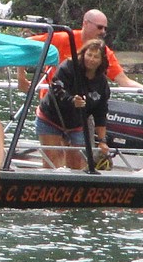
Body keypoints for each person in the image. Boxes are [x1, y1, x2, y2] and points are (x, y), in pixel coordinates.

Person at [18, 8, 143, 96]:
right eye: (100, 27)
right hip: (53, 102)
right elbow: (25, 45)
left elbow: (124, 81)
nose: (103, 32)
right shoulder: (63, 38)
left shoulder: (104, 52)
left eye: (105, 28)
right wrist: (21, 78)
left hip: (82, 105)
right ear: (85, 24)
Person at [35, 38, 111, 169]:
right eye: (89, 55)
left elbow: (101, 112)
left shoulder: (102, 82)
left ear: (101, 60)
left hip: (77, 124)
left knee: (77, 164)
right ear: (83, 54)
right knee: (52, 160)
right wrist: (72, 101)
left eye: (96, 57)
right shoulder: (68, 67)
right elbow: (57, 90)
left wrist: (102, 141)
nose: (91, 59)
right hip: (51, 118)